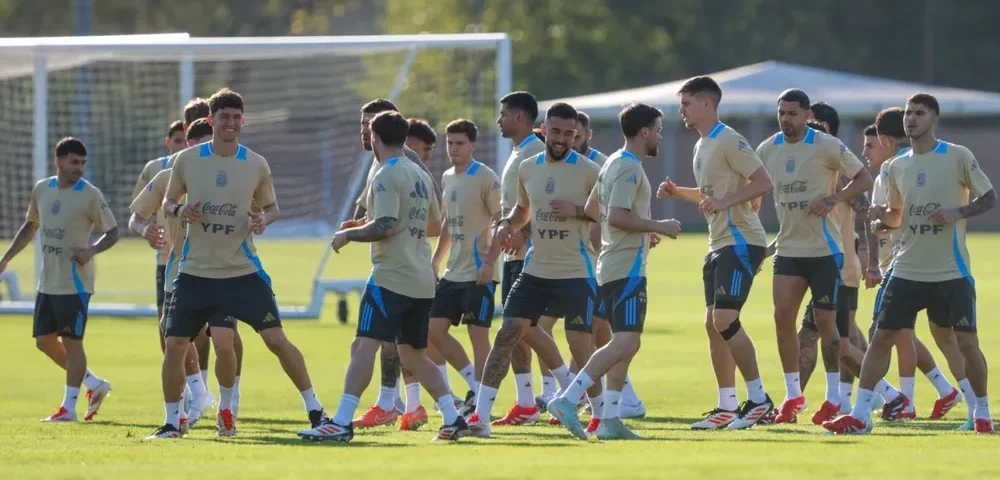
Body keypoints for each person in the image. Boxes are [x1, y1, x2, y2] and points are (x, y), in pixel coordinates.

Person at [147, 88, 329, 440]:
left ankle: (316, 411)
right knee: (174, 344)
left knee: (276, 340)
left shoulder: (255, 163)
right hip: (195, 272)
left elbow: (272, 208)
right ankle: (171, 423)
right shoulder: (187, 160)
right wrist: (180, 210)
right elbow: (168, 202)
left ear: (242, 121)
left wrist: (263, 220)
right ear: (211, 120)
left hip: (242, 272)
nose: (230, 123)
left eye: (235, 118)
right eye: (223, 117)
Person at [824, 93, 995, 434]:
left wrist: (957, 212)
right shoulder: (895, 166)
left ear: (934, 118)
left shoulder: (958, 156)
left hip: (951, 270)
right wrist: (881, 218)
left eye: (919, 113)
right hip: (906, 269)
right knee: (881, 337)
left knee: (966, 343)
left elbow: (989, 198)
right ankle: (860, 415)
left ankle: (982, 412)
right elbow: (896, 216)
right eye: (908, 113)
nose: (911, 119)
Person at [298, 110, 468, 443]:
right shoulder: (418, 174)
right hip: (420, 279)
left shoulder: (386, 174)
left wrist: (348, 235)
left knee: (364, 345)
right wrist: (371, 223)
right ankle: (452, 418)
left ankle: (341, 422)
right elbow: (433, 226)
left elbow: (387, 226)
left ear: (375, 137)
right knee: (413, 355)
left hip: (391, 276)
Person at [465, 102, 597, 438]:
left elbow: (607, 212)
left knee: (581, 344)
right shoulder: (528, 167)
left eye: (569, 133)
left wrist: (576, 210)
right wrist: (508, 224)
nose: (561, 139)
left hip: (576, 268)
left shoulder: (589, 170)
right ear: (544, 130)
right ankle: (480, 418)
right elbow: (523, 210)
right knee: (508, 331)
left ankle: (601, 415)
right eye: (556, 132)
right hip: (536, 268)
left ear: (576, 135)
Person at [548, 103, 677, 440]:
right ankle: (568, 399)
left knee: (627, 344)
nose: (660, 137)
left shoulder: (612, 164)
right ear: (645, 132)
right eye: (658, 130)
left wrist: (640, 228)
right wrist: (657, 225)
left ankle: (610, 419)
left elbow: (595, 209)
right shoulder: (628, 167)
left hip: (612, 264)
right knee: (625, 341)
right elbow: (617, 215)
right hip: (625, 267)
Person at [657, 76, 776, 429]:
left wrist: (726, 201)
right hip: (719, 242)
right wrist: (679, 192)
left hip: (741, 241)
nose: (682, 110)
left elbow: (763, 182)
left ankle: (759, 399)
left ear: (706, 103)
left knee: (724, 320)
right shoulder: (702, 145)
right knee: (713, 325)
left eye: (686, 103)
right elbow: (712, 194)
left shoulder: (729, 139)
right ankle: (726, 406)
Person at [757, 88, 872, 424]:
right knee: (782, 318)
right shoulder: (768, 148)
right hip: (789, 249)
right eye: (781, 113)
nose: (786, 119)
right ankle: (793, 395)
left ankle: (833, 396)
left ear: (807, 115)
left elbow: (864, 178)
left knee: (826, 325)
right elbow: (753, 183)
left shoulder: (827, 145)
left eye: (793, 113)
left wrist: (834, 198)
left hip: (824, 251)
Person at [0, 137, 118, 422]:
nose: (79, 168)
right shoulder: (42, 189)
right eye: (74, 162)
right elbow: (31, 226)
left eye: (83, 163)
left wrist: (91, 251)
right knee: (44, 341)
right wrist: (6, 258)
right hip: (48, 281)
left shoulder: (90, 194)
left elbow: (113, 232)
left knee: (73, 342)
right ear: (59, 161)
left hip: (75, 283)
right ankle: (94, 383)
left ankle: (68, 408)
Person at [869, 108, 968, 424]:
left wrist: (878, 223)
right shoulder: (910, 164)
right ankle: (950, 393)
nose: (866, 152)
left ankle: (906, 401)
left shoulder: (892, 169)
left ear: (885, 139)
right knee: (914, 334)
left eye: (870, 144)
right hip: (925, 262)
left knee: (887, 333)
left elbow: (896, 218)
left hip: (904, 263)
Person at [350, 100, 442, 429]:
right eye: (361, 123)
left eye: (369, 124)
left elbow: (430, 209)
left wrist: (353, 234)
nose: (364, 130)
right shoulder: (379, 164)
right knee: (405, 346)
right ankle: (423, 408)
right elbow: (369, 210)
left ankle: (386, 404)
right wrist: (358, 224)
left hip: (400, 267)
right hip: (402, 264)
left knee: (374, 342)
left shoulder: (400, 162)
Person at [129, 118, 218, 433]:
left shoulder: (224, 175)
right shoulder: (163, 174)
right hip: (173, 266)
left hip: (218, 268)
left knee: (222, 337)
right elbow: (136, 217)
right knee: (172, 334)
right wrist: (146, 230)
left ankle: (222, 402)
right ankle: (193, 398)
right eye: (186, 143)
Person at [489, 91, 558, 427]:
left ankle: (567, 388)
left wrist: (525, 233)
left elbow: (544, 202)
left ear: (519, 117)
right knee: (517, 329)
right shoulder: (517, 151)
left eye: (503, 114)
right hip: (512, 256)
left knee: (524, 327)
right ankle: (527, 402)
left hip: (531, 256)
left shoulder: (534, 152)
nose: (498, 120)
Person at [427, 118, 500, 423]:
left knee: (478, 335)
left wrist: (490, 263)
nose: (454, 148)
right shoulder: (447, 177)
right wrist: (436, 261)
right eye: (450, 143)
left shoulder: (485, 177)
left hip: (479, 272)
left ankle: (482, 406)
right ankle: (473, 386)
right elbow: (447, 222)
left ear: (473, 145)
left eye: (459, 143)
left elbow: (501, 221)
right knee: (432, 330)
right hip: (453, 272)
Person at [131, 120, 188, 323]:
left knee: (202, 327)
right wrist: (146, 230)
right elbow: (138, 213)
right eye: (178, 141)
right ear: (167, 142)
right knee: (165, 321)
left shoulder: (201, 167)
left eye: (186, 141)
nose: (183, 146)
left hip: (198, 258)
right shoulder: (154, 169)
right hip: (167, 257)